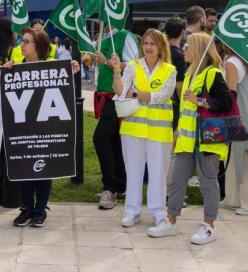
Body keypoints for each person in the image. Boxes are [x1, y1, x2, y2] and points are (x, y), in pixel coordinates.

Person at [149, 32, 232, 244]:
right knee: (177, 181)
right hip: (187, 140)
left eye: (187, 46)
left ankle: (209, 225)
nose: (183, 50)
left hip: (207, 139)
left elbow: (226, 102)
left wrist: (201, 101)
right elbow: (186, 109)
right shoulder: (189, 74)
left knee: (208, 183)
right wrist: (178, 132)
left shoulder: (213, 74)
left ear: (198, 49)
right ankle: (171, 220)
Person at [5, 27, 81, 227]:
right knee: (24, 168)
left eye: (26, 42)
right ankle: (26, 208)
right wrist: (5, 71)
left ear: (37, 46)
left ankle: (40, 209)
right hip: (23, 130)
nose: (21, 45)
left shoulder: (52, 67)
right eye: (22, 41)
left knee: (44, 169)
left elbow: (63, 87)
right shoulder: (15, 67)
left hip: (46, 130)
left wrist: (70, 69)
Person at [111, 29, 177, 231]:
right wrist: (116, 72)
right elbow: (121, 91)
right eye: (145, 43)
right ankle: (132, 211)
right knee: (133, 172)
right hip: (133, 130)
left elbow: (162, 95)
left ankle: (158, 213)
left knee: (158, 173)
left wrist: (136, 93)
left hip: (159, 132)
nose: (148, 47)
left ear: (160, 47)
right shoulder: (132, 66)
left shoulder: (170, 70)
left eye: (152, 44)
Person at [91, 24, 139, 210]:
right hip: (105, 96)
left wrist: (105, 63)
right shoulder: (103, 36)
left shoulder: (125, 36)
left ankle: (110, 188)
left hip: (118, 96)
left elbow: (134, 66)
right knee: (113, 141)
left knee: (100, 138)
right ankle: (120, 185)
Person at [218, 43, 248, 216]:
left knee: (244, 156)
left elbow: (230, 93)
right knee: (234, 156)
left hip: (239, 113)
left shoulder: (232, 62)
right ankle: (233, 198)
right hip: (246, 111)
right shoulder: (244, 61)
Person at [0, 17, 21, 210]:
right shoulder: (13, 53)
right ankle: (10, 199)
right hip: (10, 107)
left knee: (0, 154)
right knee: (10, 153)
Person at [163, 18, 186, 131]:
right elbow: (179, 85)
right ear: (182, 32)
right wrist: (184, 104)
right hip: (173, 104)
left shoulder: (161, 52)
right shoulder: (179, 56)